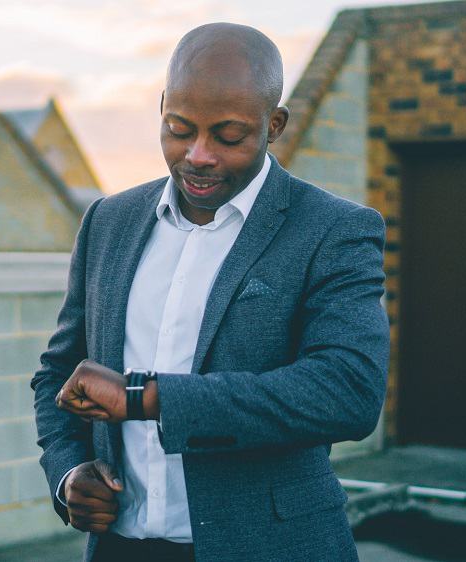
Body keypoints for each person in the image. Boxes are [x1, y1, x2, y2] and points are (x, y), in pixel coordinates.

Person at [31, 22, 388, 562]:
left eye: (228, 136)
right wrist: (67, 472)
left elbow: (348, 392)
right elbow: (59, 375)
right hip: (120, 549)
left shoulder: (333, 229)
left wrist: (147, 398)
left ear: (274, 124)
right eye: (178, 129)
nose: (198, 155)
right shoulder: (109, 220)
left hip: (270, 547)